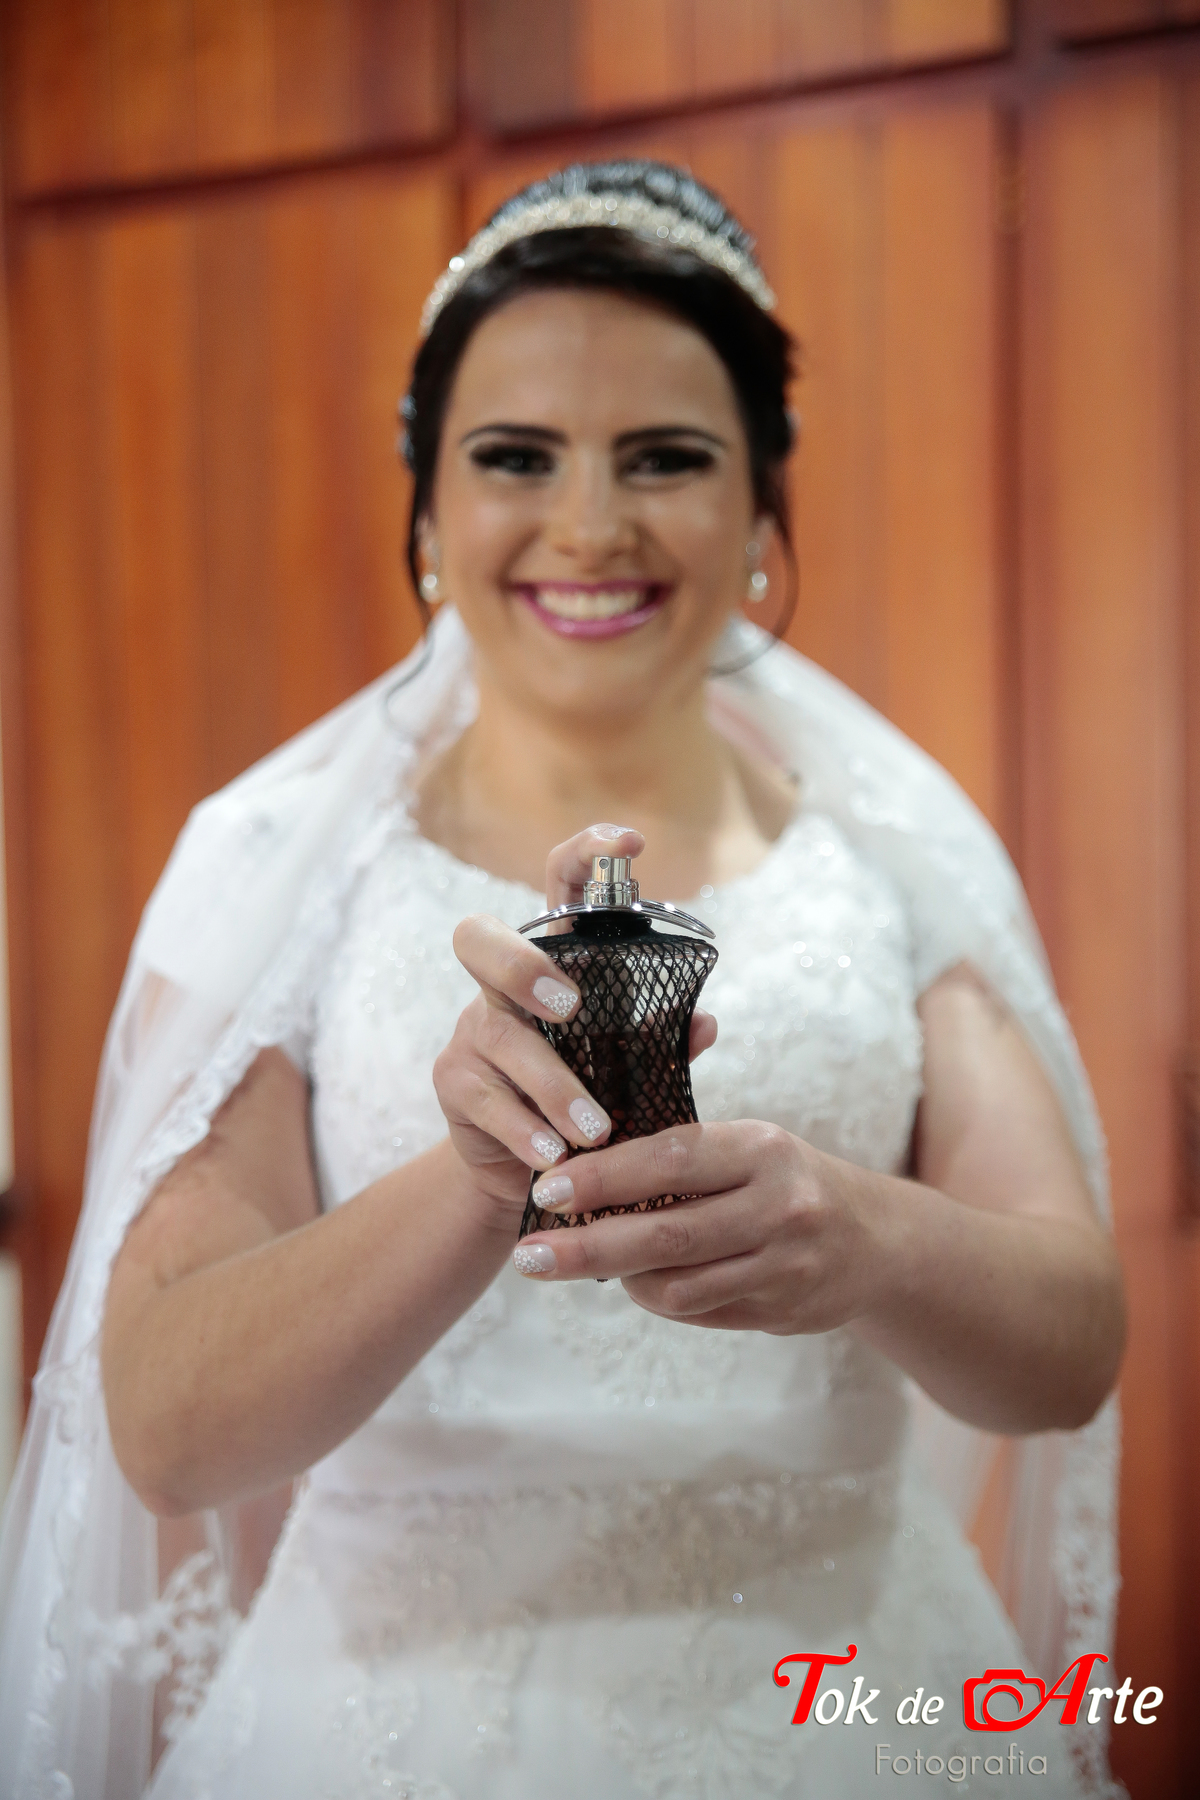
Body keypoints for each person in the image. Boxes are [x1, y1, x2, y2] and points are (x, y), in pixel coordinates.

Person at [0, 161, 1125, 1800]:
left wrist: (869, 1236)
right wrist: (475, 1180)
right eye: (515, 456)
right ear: (427, 513)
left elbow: (1073, 1345)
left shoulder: (897, 854)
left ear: (763, 509)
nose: (590, 526)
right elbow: (168, 1431)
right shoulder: (276, 866)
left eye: (665, 457)